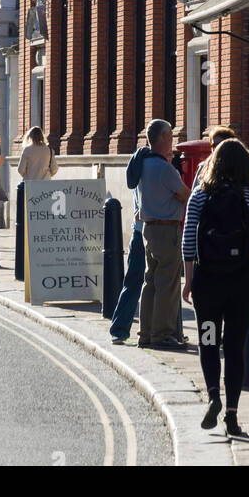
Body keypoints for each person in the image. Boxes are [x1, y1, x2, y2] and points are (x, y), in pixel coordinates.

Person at [182, 138, 249, 438]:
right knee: (234, 345)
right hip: (244, 282)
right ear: (247, 165)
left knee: (208, 340)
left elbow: (188, 242)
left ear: (215, 163)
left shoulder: (200, 195)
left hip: (209, 284)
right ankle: (232, 415)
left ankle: (213, 396)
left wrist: (189, 280)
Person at [136, 119, 190, 349]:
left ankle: (146, 333)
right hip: (167, 230)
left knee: (150, 282)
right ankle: (163, 335)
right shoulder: (165, 168)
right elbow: (185, 193)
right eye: (170, 136)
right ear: (164, 138)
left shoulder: (143, 165)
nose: (173, 141)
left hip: (149, 229)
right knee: (167, 285)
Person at [109, 135, 152, 344]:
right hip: (152, 231)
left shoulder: (139, 164)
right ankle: (165, 331)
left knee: (132, 282)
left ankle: (119, 330)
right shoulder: (154, 165)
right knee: (165, 282)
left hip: (137, 231)